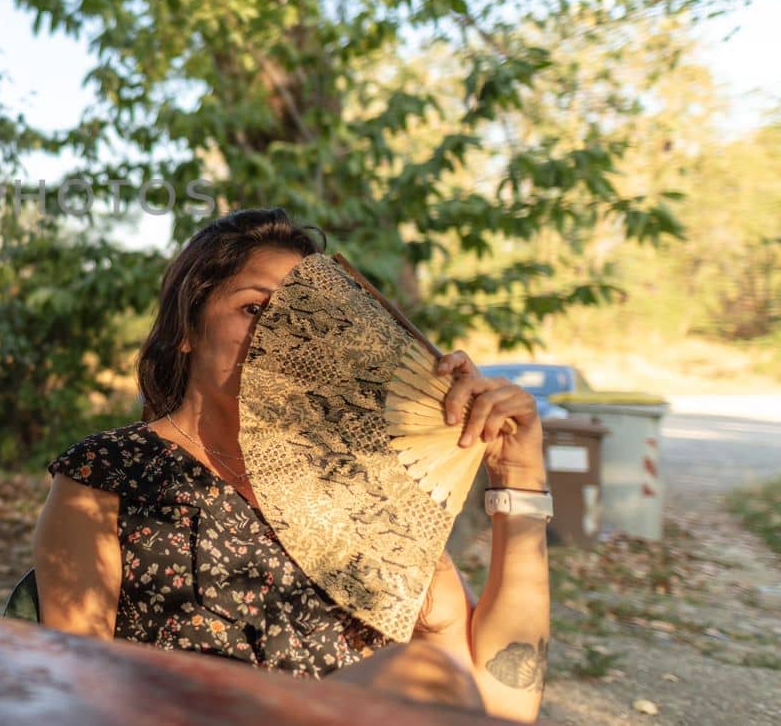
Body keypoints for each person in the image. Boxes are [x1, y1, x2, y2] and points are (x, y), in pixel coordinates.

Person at [32, 208, 550, 721]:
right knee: (419, 671)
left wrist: (518, 476)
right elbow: (79, 691)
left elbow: (503, 707)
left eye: (307, 318)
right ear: (188, 327)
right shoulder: (110, 473)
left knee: (429, 674)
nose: (282, 337)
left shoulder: (367, 493)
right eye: (256, 310)